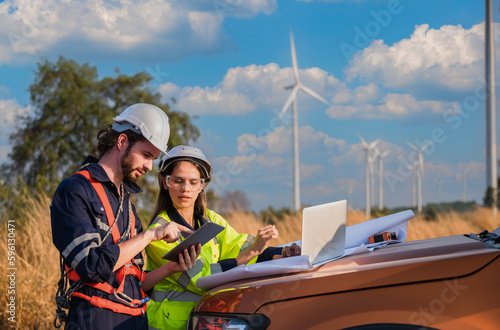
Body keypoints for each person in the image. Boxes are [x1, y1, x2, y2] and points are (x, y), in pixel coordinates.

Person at [51, 103, 201, 330]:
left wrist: (171, 268)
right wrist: (150, 235)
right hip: (96, 321)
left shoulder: (126, 205)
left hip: (134, 321)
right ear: (122, 142)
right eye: (146, 155)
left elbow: (136, 280)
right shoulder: (74, 190)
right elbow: (89, 266)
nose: (150, 166)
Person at [145, 145, 300, 329]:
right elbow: (200, 280)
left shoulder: (211, 220)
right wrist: (249, 254)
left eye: (193, 182)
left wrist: (281, 254)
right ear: (165, 182)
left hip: (204, 319)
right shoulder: (159, 232)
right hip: (168, 325)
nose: (185, 189)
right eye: (178, 181)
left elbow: (240, 245)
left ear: (202, 186)